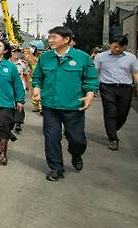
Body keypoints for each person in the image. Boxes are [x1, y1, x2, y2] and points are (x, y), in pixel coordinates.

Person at [32, 26, 99, 181]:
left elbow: (90, 80)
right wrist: (37, 89)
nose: (50, 40)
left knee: (77, 139)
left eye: (54, 37)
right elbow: (38, 77)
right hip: (50, 106)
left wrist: (89, 95)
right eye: (49, 37)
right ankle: (56, 168)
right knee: (51, 138)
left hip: (73, 106)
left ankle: (76, 154)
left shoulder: (82, 57)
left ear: (67, 39)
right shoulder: (45, 58)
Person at [94, 35, 138, 150]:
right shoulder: (100, 57)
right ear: (110, 45)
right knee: (110, 111)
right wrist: (93, 88)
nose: (118, 49)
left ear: (125, 46)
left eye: (121, 47)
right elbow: (95, 72)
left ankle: (112, 128)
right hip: (107, 87)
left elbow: (136, 72)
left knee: (123, 113)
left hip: (125, 88)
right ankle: (113, 138)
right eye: (115, 46)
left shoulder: (131, 58)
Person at [10, 47, 30, 132]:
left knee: (19, 103)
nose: (16, 53)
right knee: (10, 104)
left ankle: (18, 122)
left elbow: (26, 74)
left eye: (18, 52)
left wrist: (28, 85)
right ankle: (10, 120)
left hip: (20, 86)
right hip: (9, 87)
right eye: (14, 52)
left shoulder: (23, 63)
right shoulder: (5, 62)